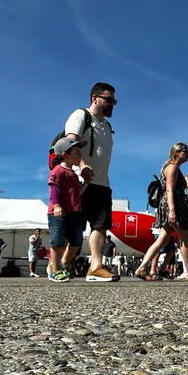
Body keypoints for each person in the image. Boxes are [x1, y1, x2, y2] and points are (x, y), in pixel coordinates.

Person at [64, 82, 120, 282]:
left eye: (114, 101)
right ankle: (62, 263)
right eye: (108, 99)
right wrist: (82, 166)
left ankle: (96, 267)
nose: (112, 104)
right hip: (80, 182)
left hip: (102, 184)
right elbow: (70, 143)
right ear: (95, 98)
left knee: (100, 226)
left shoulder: (106, 126)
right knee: (75, 230)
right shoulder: (81, 115)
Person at [135, 143, 188, 281]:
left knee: (162, 239)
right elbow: (169, 190)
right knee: (184, 237)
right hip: (173, 205)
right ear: (177, 152)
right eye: (185, 151)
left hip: (168, 205)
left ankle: (141, 268)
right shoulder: (172, 167)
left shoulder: (168, 167)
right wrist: (172, 211)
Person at [47, 137, 89, 283]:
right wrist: (57, 205)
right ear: (65, 155)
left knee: (76, 241)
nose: (80, 156)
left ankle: (65, 262)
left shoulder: (73, 174)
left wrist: (86, 183)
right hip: (59, 213)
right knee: (57, 242)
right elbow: (54, 188)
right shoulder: (58, 170)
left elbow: (77, 193)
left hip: (75, 212)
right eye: (77, 152)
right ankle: (55, 270)